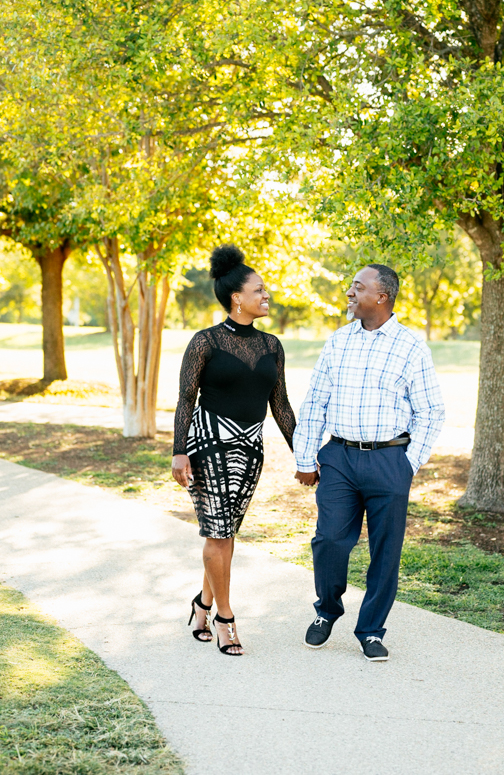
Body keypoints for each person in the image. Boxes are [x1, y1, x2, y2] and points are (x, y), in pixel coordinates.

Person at [293, 263, 445, 661]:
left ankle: (372, 630)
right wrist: (305, 457)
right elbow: (315, 403)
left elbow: (431, 412)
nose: (350, 293)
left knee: (386, 551)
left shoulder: (411, 347)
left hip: (389, 460)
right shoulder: (337, 342)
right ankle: (327, 611)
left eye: (358, 287)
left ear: (382, 296)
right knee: (328, 541)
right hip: (340, 457)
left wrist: (407, 464)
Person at [172, 245, 296, 656]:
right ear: (236, 297)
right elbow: (186, 399)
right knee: (218, 532)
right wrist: (178, 452)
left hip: (250, 449)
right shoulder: (204, 341)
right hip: (208, 445)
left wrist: (304, 452)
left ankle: (201, 603)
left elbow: (280, 405)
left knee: (226, 534)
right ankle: (225, 616)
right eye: (259, 290)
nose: (266, 295)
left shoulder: (272, 346)